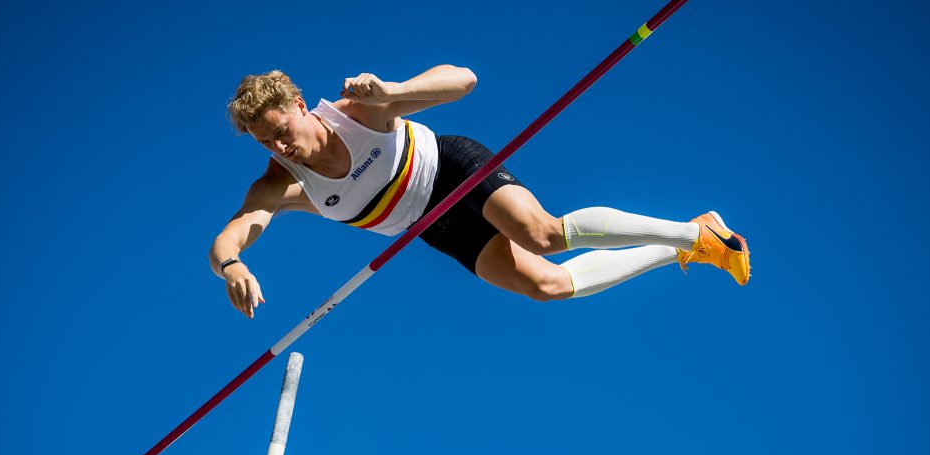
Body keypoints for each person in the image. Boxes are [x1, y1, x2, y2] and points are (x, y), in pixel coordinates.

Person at [210, 66, 750, 318]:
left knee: (541, 234)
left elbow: (464, 80)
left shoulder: (358, 111)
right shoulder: (280, 182)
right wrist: (233, 266)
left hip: (450, 167)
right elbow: (232, 235)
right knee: (551, 287)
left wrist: (394, 92)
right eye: (266, 141)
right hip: (431, 225)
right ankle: (690, 240)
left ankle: (693, 232)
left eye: (281, 130)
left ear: (301, 106)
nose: (280, 146)